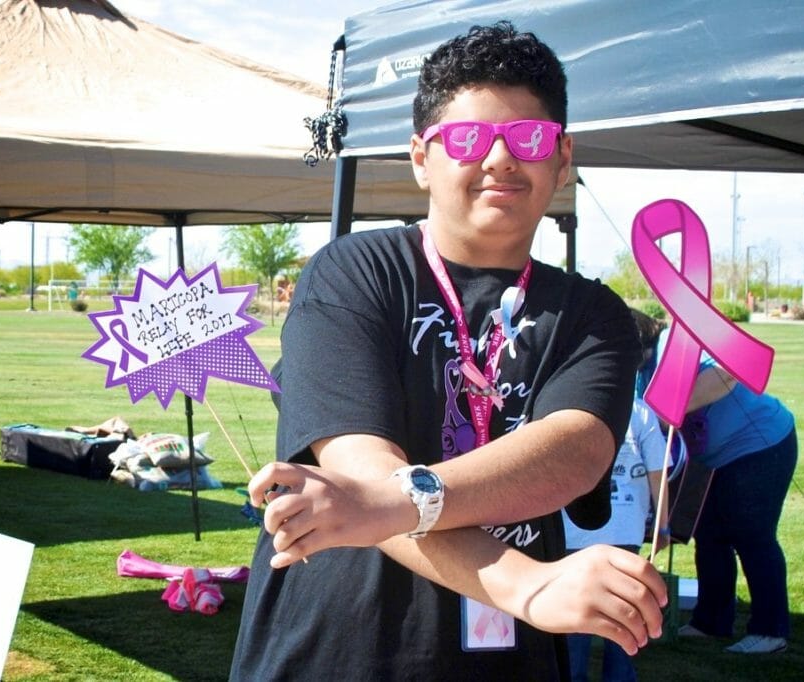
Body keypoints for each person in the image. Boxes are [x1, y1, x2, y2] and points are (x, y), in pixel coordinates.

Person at [230, 22, 667, 681]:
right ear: (420, 157)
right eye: (468, 139)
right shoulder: (354, 273)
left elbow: (572, 450)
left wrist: (390, 502)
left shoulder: (590, 313)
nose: (499, 159)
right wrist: (526, 585)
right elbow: (359, 460)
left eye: (528, 138)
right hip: (333, 655)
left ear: (562, 156)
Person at [642, 327, 797, 655]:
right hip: (713, 457)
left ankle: (771, 631)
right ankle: (711, 622)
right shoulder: (630, 365)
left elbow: (730, 370)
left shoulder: (674, 340)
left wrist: (674, 405)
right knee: (710, 535)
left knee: (752, 534)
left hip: (761, 444)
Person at [562, 376, 670, 682]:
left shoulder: (572, 410)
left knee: (579, 615)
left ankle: (578, 674)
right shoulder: (641, 412)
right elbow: (658, 473)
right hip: (623, 530)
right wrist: (661, 525)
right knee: (624, 616)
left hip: (577, 530)